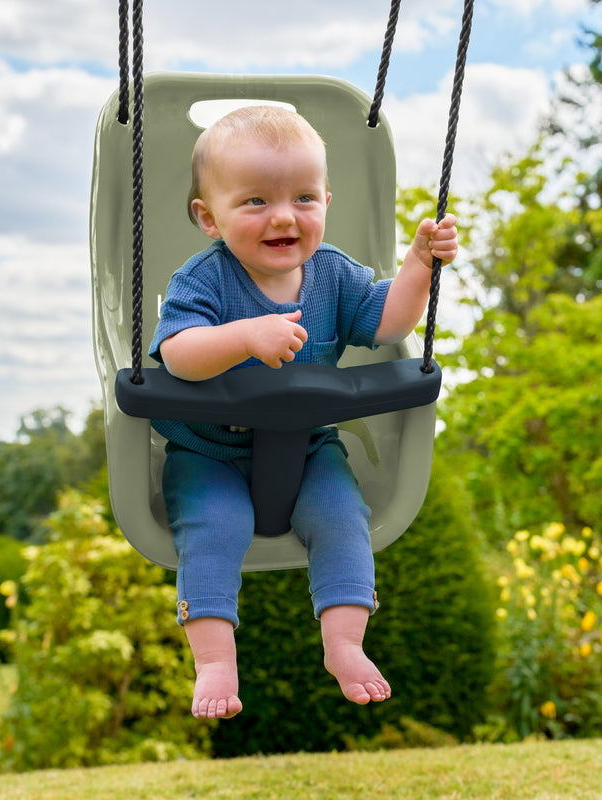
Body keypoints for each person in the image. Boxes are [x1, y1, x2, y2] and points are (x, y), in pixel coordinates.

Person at [149, 105, 458, 720]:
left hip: (311, 446)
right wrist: (245, 337)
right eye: (256, 201)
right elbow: (178, 355)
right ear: (208, 218)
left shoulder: (334, 275)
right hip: (209, 451)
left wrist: (420, 266)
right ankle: (214, 658)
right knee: (213, 530)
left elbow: (390, 323)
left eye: (305, 198)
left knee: (344, 520)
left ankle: (344, 643)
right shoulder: (202, 281)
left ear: (325, 202)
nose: (284, 216)